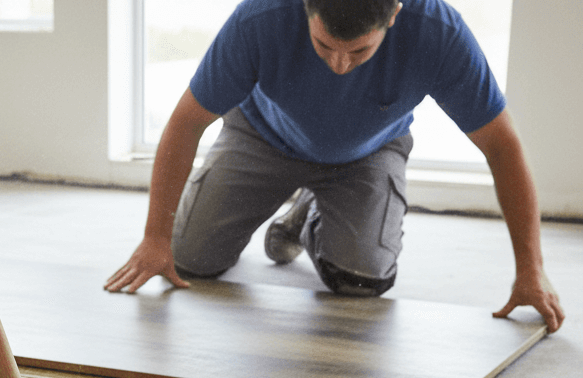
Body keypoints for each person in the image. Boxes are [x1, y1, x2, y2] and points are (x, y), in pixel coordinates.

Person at [105, 0, 564, 336]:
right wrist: (154, 238)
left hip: (368, 150)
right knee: (190, 260)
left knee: (363, 282)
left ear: (395, 14)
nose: (340, 65)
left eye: (359, 52)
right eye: (324, 45)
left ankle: (306, 215)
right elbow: (186, 123)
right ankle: (291, 202)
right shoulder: (259, 18)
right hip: (262, 136)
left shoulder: (438, 32)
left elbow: (502, 147)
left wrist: (531, 268)